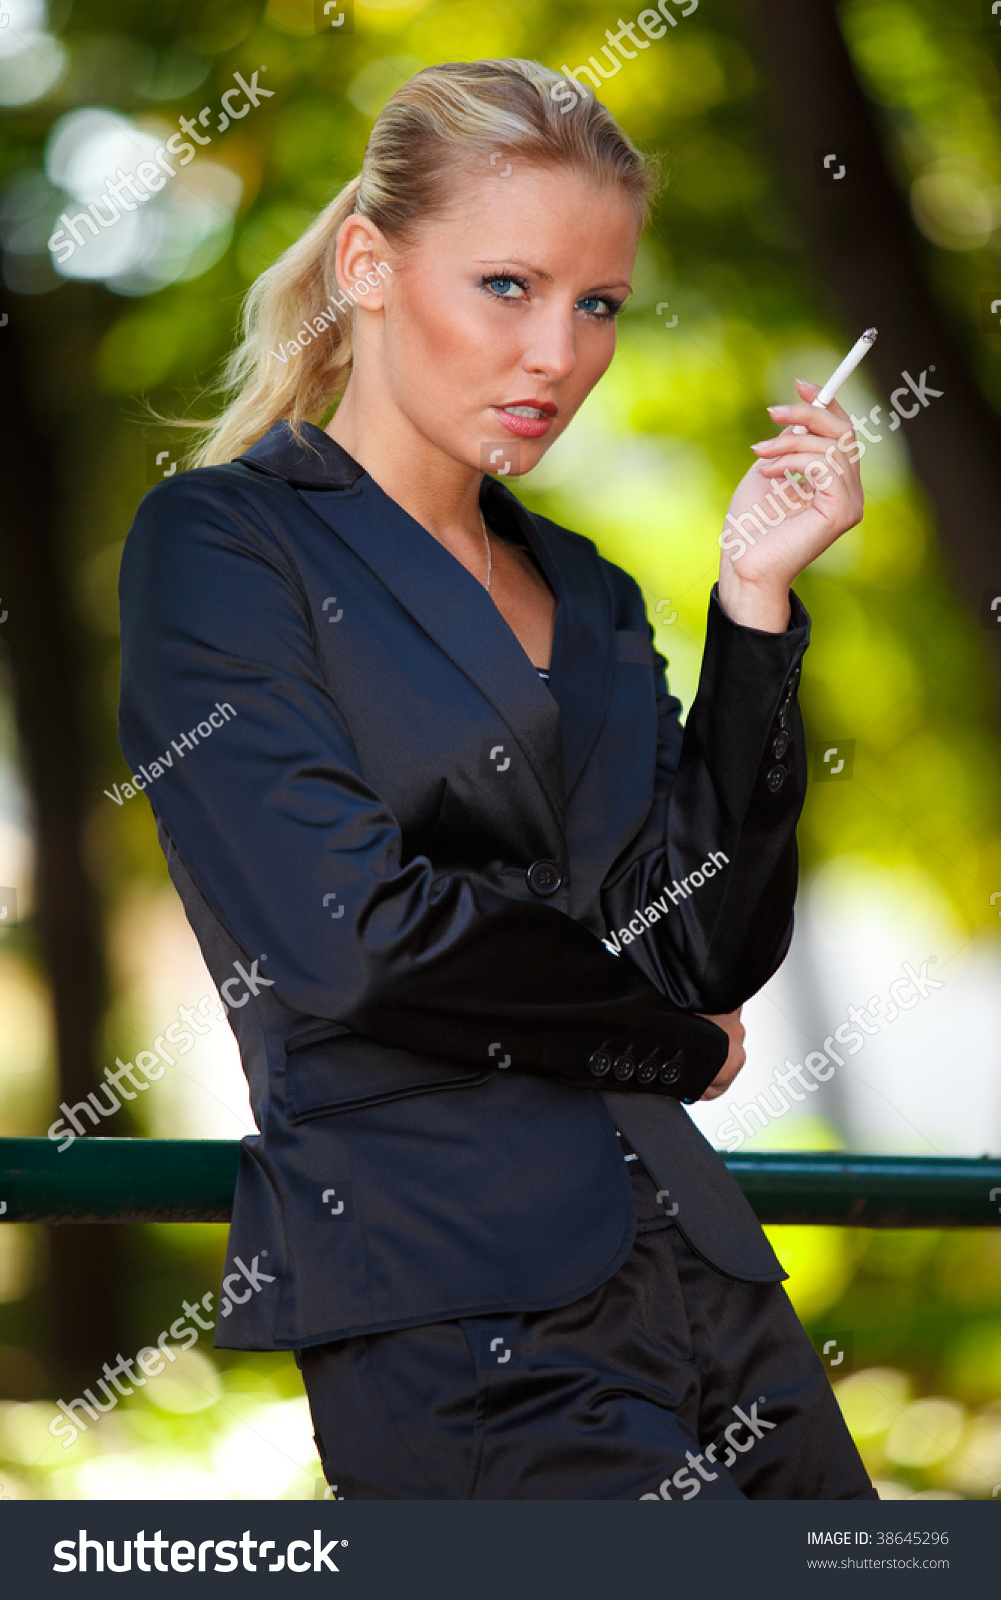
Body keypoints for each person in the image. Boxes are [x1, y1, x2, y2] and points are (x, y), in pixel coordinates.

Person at [118, 58, 875, 1500]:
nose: (557, 356)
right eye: (508, 288)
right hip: (446, 1307)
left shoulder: (585, 591)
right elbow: (352, 941)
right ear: (368, 265)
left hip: (712, 1289)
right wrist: (664, 1041)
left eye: (595, 304)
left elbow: (702, 937)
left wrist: (753, 614)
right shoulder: (221, 549)